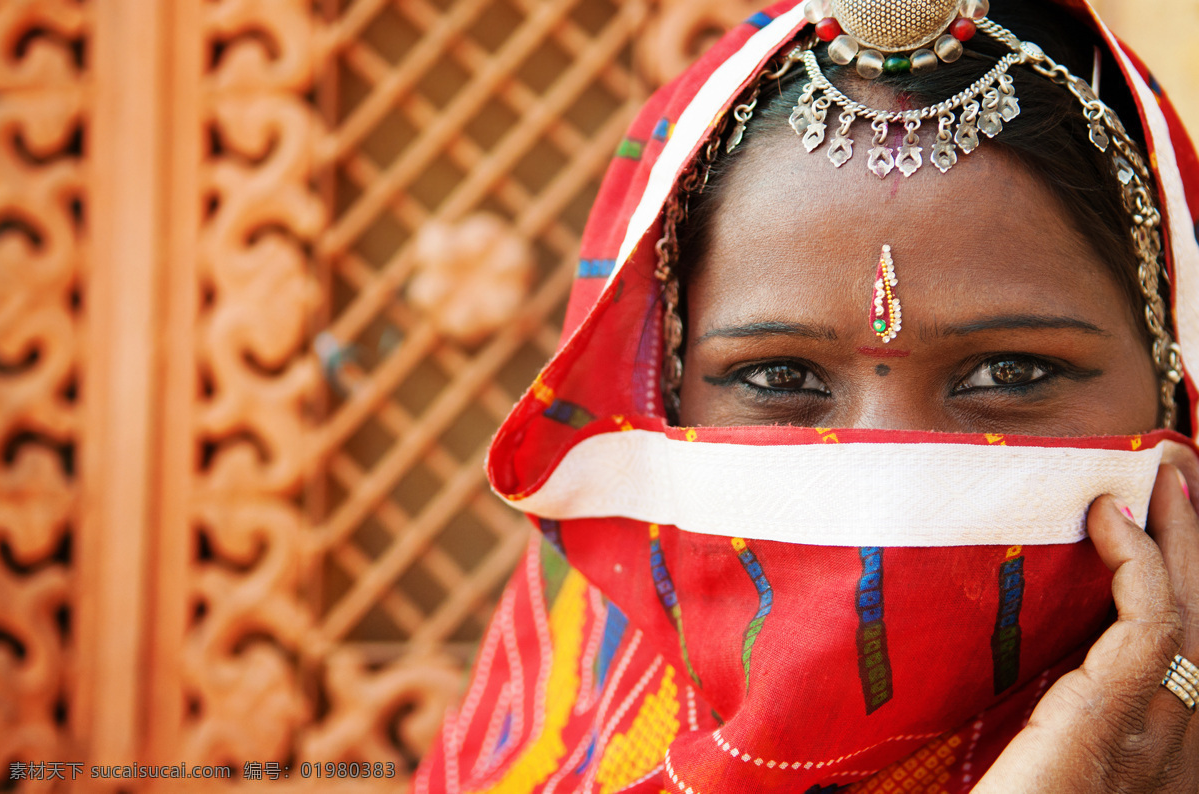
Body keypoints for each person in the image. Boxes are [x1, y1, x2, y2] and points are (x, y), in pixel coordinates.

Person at [415, 0, 1199, 791]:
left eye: (1010, 374)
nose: (889, 497)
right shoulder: (554, 731)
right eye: (780, 378)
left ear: (1177, 385)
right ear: (665, 400)